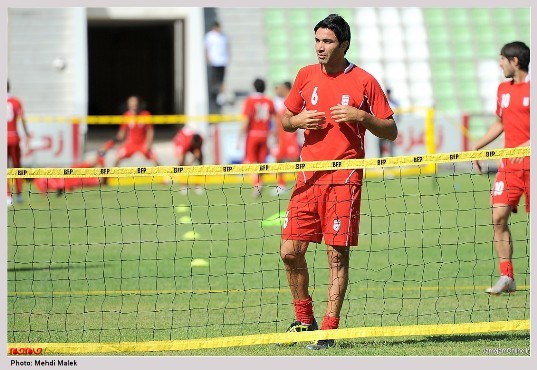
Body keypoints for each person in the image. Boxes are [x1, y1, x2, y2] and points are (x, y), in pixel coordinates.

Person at [278, 14, 397, 350]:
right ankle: (305, 320)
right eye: (317, 40)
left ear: (343, 45)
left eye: (327, 41)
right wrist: (298, 120)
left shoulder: (364, 81)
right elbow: (286, 120)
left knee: (336, 256)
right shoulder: (304, 75)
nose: (320, 47)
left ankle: (328, 329)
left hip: (344, 178)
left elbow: (391, 129)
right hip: (308, 176)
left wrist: (363, 117)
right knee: (289, 252)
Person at [472, 41, 530, 295]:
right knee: (498, 217)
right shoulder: (502, 89)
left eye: (502, 59)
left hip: (532, 165)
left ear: (514, 61)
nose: (499, 64)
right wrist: (477, 146)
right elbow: (500, 122)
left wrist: (527, 145)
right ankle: (507, 276)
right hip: (509, 166)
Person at [239, 78, 276, 197]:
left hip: (253, 134)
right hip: (265, 135)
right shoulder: (269, 100)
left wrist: (240, 137)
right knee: (261, 162)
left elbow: (246, 120)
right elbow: (275, 119)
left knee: (251, 162)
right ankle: (260, 182)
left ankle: (257, 184)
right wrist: (274, 135)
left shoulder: (250, 101)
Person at [114, 95, 160, 167]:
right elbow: (122, 132)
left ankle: (164, 176)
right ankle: (110, 176)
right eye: (131, 103)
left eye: (135, 103)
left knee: (155, 158)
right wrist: (117, 142)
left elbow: (150, 131)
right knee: (117, 157)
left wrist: (148, 143)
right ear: (128, 105)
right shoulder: (126, 116)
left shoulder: (145, 114)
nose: (134, 105)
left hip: (142, 143)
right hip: (130, 144)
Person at [271, 81, 300, 195]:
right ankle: (281, 184)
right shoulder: (279, 102)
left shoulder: (293, 100)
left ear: (286, 88)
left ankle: (301, 182)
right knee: (278, 159)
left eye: (280, 88)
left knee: (295, 160)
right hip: (281, 138)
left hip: (290, 137)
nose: (278, 90)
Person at [7, 80, 31, 206]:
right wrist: (27, 134)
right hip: (14, 138)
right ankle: (19, 193)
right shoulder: (16, 102)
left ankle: (6, 196)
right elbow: (22, 120)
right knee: (17, 166)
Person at [172, 125, 204, 194]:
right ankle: (183, 185)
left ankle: (197, 185)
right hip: (179, 141)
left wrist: (190, 163)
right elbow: (181, 158)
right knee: (181, 162)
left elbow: (197, 154)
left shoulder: (201, 139)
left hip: (189, 141)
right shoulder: (185, 142)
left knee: (200, 159)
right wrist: (186, 166)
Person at [205, 21, 230, 106]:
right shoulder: (210, 36)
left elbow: (227, 47)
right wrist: (208, 58)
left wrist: (227, 58)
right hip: (214, 61)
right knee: (214, 79)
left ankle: (221, 96)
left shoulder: (224, 36)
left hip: (222, 61)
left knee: (221, 80)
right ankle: (213, 95)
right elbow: (206, 48)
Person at [378, 88, 399, 157]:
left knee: (391, 145)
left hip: (391, 126)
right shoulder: (382, 102)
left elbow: (398, 115)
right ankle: (380, 160)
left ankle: (391, 159)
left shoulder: (394, 103)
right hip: (383, 126)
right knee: (381, 144)